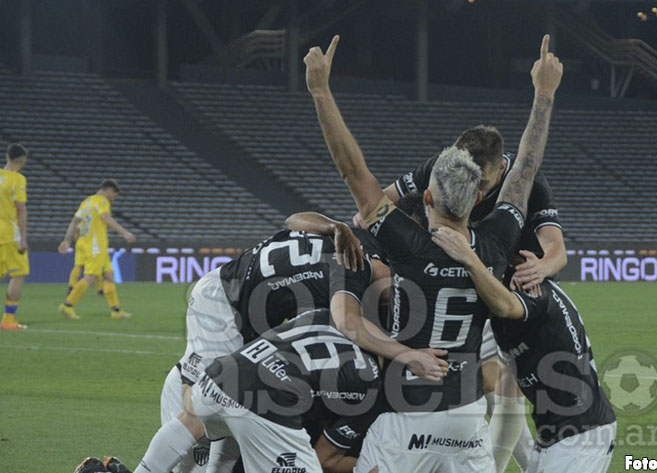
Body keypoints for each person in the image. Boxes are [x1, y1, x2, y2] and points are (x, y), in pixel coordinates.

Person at [304, 33, 562, 473]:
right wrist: (543, 95)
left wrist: (320, 90)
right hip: (465, 419)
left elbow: (352, 170)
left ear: (426, 198)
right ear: (483, 195)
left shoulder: (408, 243)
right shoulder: (497, 242)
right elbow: (526, 167)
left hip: (405, 414)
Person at [135, 214, 446, 473]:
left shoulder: (347, 239)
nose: (389, 298)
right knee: (200, 409)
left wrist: (333, 226)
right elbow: (348, 324)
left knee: (224, 404)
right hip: (223, 301)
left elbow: (293, 219)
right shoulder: (354, 271)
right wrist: (408, 355)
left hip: (246, 307)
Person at [377, 125, 567, 472]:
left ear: (501, 170)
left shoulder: (530, 184)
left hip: (515, 295)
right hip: (467, 295)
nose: (473, 190)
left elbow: (558, 250)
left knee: (508, 393)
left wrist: (543, 266)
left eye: (483, 183)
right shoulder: (445, 169)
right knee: (490, 389)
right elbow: (382, 198)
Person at [432, 227, 617, 473]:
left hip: (581, 437)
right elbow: (508, 403)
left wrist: (468, 257)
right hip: (555, 436)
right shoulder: (509, 317)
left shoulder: (533, 292)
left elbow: (505, 305)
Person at [188, 309, 382, 473]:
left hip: (212, 382)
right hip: (257, 404)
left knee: (225, 459)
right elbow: (326, 460)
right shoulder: (369, 378)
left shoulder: (325, 314)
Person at [58, 179, 136, 320]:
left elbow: (74, 222)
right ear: (109, 190)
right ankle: (68, 305)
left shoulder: (87, 202)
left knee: (108, 275)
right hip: (95, 245)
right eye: (114, 195)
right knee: (92, 277)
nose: (113, 198)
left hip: (90, 243)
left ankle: (116, 311)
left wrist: (67, 240)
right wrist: (124, 233)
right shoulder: (102, 201)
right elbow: (105, 218)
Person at [0, 143, 29, 331]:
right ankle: (9, 319)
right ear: (22, 160)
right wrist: (23, 238)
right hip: (9, 234)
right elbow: (20, 209)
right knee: (19, 274)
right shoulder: (18, 179)